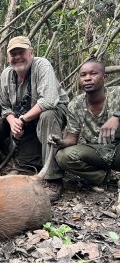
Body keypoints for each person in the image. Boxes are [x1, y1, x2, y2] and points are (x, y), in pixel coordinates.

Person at [0, 36, 69, 195]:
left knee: (47, 116)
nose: (17, 57)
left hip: (53, 113)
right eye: (13, 54)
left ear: (31, 52)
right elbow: (4, 106)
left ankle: (53, 179)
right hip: (26, 121)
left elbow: (49, 101)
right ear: (8, 57)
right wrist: (12, 122)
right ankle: (31, 164)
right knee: (25, 165)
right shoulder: (6, 75)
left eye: (21, 52)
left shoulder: (42, 65)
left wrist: (21, 119)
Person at [49, 60, 120, 191]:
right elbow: (72, 139)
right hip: (96, 152)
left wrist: (117, 117)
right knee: (63, 156)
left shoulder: (117, 93)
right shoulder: (75, 104)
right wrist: (61, 142)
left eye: (93, 74)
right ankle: (102, 178)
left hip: (118, 149)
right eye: (83, 75)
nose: (87, 78)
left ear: (104, 77)